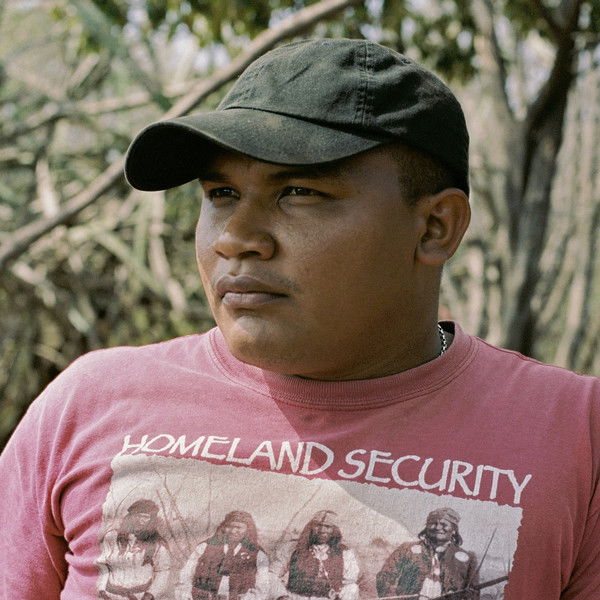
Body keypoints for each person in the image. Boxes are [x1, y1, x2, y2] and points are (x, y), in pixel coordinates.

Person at [0, 38, 599, 600]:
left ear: (435, 228)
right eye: (221, 194)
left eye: (299, 193)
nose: (236, 237)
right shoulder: (90, 407)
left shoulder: (576, 435)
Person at [376, 508, 478, 600]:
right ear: (426, 527)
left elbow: (473, 593)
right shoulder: (406, 550)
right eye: (433, 523)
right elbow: (384, 577)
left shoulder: (468, 560)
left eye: (444, 525)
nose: (437, 527)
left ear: (454, 530)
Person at [176, 511, 269, 600]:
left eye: (238, 527)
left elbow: (262, 589)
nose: (233, 531)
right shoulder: (205, 547)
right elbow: (185, 576)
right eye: (229, 526)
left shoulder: (257, 554)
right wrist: (184, 596)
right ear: (223, 527)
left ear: (248, 529)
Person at [271, 510, 359, 600]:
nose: (322, 530)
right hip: (295, 598)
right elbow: (272, 575)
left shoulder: (345, 553)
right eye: (318, 525)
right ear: (311, 527)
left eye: (327, 527)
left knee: (353, 588)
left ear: (334, 530)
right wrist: (281, 596)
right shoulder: (293, 548)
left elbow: (350, 585)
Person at [96, 499, 170, 600]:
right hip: (110, 595)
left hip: (140, 596)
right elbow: (103, 565)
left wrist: (150, 594)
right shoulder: (112, 537)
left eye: (145, 517)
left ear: (151, 520)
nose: (140, 520)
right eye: (137, 515)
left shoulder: (156, 543)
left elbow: (162, 571)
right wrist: (101, 589)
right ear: (130, 516)